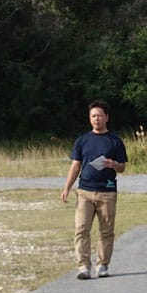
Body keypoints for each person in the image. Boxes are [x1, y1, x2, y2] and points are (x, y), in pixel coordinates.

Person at [60, 100, 128, 280]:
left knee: (106, 231)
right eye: (93, 116)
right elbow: (75, 166)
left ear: (107, 117)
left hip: (107, 191)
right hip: (85, 191)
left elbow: (122, 167)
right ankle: (83, 266)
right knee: (81, 228)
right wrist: (67, 187)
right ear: (90, 118)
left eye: (100, 116)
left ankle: (103, 264)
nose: (96, 119)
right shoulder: (82, 140)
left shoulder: (115, 141)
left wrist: (113, 164)